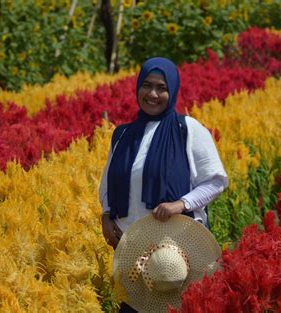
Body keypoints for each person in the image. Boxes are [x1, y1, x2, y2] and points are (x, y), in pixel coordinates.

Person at [98, 57, 228, 311]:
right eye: (146, 85)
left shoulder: (187, 130)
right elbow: (107, 184)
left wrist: (181, 204)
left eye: (162, 88)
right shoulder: (123, 134)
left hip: (174, 256)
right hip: (131, 252)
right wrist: (105, 215)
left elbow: (215, 180)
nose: (153, 94)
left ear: (174, 90)